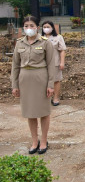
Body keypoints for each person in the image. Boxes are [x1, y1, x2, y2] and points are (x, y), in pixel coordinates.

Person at [11, 16, 55, 155]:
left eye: (32, 25)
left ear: (37, 27)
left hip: (40, 78)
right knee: (30, 112)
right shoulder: (19, 43)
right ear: (23, 28)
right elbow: (15, 66)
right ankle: (34, 140)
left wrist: (50, 84)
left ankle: (44, 140)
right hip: (25, 80)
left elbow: (50, 65)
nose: (29, 28)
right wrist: (15, 84)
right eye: (26, 26)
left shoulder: (45, 43)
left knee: (43, 111)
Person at [41, 21, 66, 106]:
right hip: (42, 63)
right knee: (43, 81)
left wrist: (62, 62)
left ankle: (56, 98)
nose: (46, 29)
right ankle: (45, 98)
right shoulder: (40, 38)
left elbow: (62, 50)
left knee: (56, 80)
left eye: (48, 27)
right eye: (44, 27)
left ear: (52, 27)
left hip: (55, 62)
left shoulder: (58, 37)